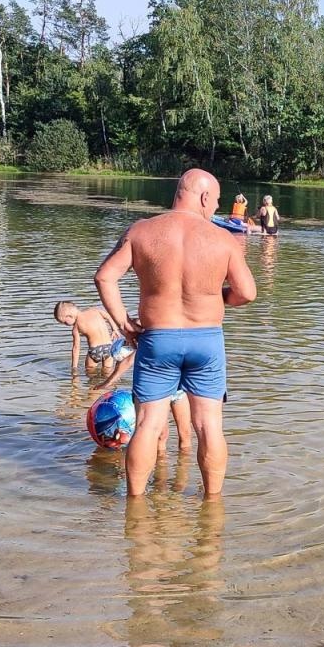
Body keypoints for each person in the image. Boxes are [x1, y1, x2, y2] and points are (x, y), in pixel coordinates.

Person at [95, 168, 257, 497]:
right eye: (215, 201)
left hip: (158, 339)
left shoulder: (141, 231)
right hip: (206, 340)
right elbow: (247, 293)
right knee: (209, 427)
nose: (216, 208)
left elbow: (104, 277)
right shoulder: (223, 239)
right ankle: (212, 505)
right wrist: (215, 298)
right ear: (203, 197)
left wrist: (124, 323)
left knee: (148, 425)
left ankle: (135, 507)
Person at [93, 348, 195, 453]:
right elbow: (128, 360)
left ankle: (182, 467)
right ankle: (160, 467)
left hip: (177, 388)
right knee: (161, 435)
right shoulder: (150, 339)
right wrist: (109, 381)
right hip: (156, 391)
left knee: (185, 434)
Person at [55, 300, 131, 375]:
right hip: (109, 348)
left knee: (89, 372)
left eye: (65, 322)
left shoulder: (76, 327)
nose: (66, 324)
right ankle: (108, 385)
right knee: (107, 372)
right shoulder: (95, 311)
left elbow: (76, 348)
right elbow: (108, 316)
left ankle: (92, 385)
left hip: (95, 351)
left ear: (70, 316)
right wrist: (114, 329)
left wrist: (74, 367)